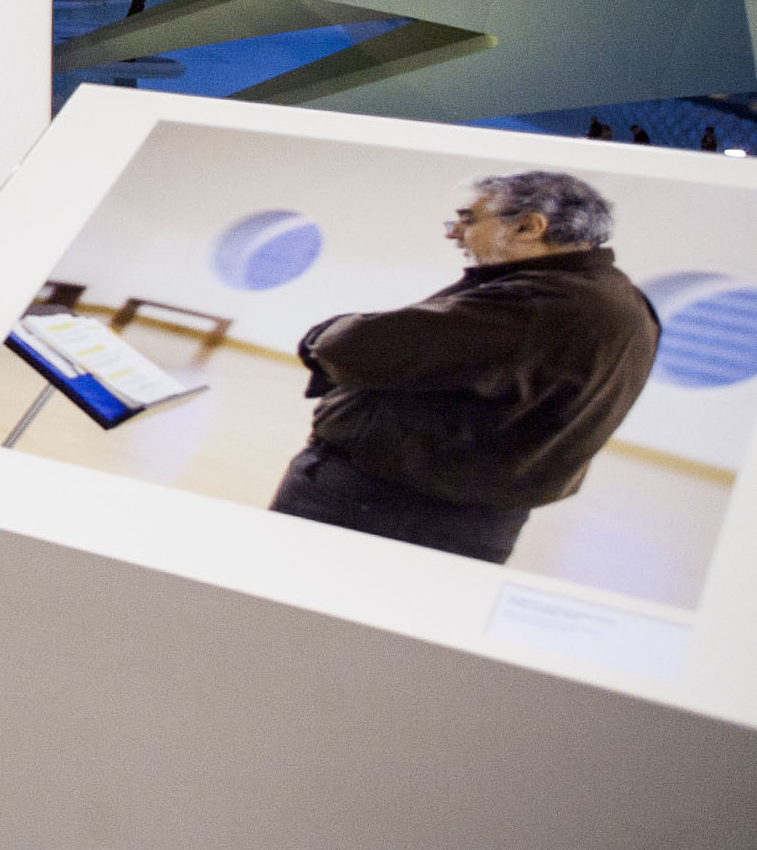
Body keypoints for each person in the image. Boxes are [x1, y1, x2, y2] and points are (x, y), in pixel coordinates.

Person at [270, 171, 659, 564]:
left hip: (389, 513)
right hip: (459, 518)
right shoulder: (626, 302)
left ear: (529, 226)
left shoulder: (546, 303)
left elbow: (351, 346)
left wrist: (319, 336)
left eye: (469, 218)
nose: (454, 232)